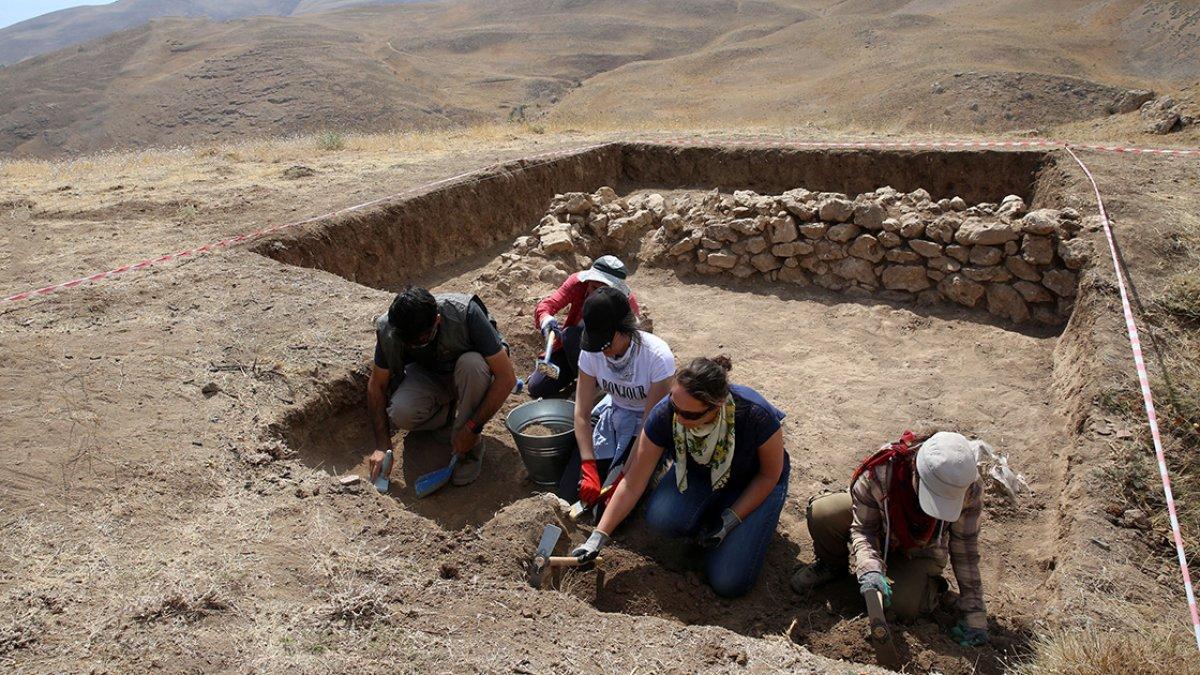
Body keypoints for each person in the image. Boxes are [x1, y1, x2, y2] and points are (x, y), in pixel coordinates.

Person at [571, 356, 789, 598]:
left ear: (716, 407)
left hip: (753, 482)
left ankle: (735, 525)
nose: (679, 418)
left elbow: (769, 474)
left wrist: (730, 520)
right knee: (662, 516)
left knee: (728, 581)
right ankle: (710, 520)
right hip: (700, 473)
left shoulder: (755, 414)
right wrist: (597, 537)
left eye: (689, 415)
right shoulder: (666, 413)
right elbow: (632, 483)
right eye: (675, 407)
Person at [790, 431, 989, 647]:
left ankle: (926, 589)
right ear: (916, 472)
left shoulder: (969, 488)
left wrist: (975, 613)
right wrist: (869, 568)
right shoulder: (882, 471)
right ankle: (831, 566)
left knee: (904, 606)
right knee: (824, 513)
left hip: (921, 549)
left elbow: (965, 550)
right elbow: (864, 529)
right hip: (878, 523)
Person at [366, 287, 517, 487]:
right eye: (408, 342)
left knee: (472, 364)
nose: (414, 345)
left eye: (421, 339)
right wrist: (383, 447)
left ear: (437, 319)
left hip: (470, 376)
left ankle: (469, 448)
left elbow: (507, 378)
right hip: (429, 376)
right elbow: (377, 385)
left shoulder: (466, 313)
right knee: (401, 412)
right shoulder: (391, 329)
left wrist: (472, 428)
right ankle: (448, 419)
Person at [557, 286, 672, 505]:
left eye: (606, 343)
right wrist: (588, 465)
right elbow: (581, 413)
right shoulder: (593, 353)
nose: (602, 351)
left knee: (609, 505)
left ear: (624, 329)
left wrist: (624, 476)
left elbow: (649, 426)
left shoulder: (656, 357)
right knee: (569, 494)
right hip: (614, 414)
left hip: (646, 429)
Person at [529, 256, 641, 399]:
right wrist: (546, 319)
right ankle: (578, 375)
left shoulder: (625, 303)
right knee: (537, 386)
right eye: (593, 287)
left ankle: (597, 386)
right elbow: (548, 304)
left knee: (571, 336)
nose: (596, 295)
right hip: (572, 353)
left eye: (603, 290)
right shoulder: (578, 283)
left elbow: (633, 341)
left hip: (605, 358)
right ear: (588, 282)